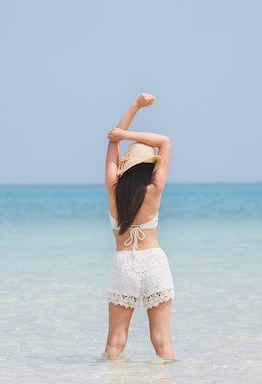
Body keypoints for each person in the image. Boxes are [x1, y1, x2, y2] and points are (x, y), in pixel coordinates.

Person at [103, 93, 175, 360]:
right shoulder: (154, 189)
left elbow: (113, 139)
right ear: (149, 168)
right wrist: (125, 134)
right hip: (154, 262)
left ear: (125, 166)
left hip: (124, 263)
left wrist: (134, 107)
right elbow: (164, 142)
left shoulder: (113, 189)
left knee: (114, 343)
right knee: (162, 342)